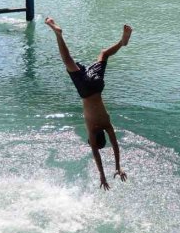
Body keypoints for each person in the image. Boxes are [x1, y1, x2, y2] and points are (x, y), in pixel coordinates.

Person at [45, 16, 132, 191]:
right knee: (67, 60)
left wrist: (118, 166)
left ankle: (122, 42)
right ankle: (59, 35)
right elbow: (96, 154)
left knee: (104, 54)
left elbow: (115, 145)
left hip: (97, 85)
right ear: (93, 139)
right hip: (85, 90)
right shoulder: (92, 130)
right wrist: (102, 175)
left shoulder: (107, 125)